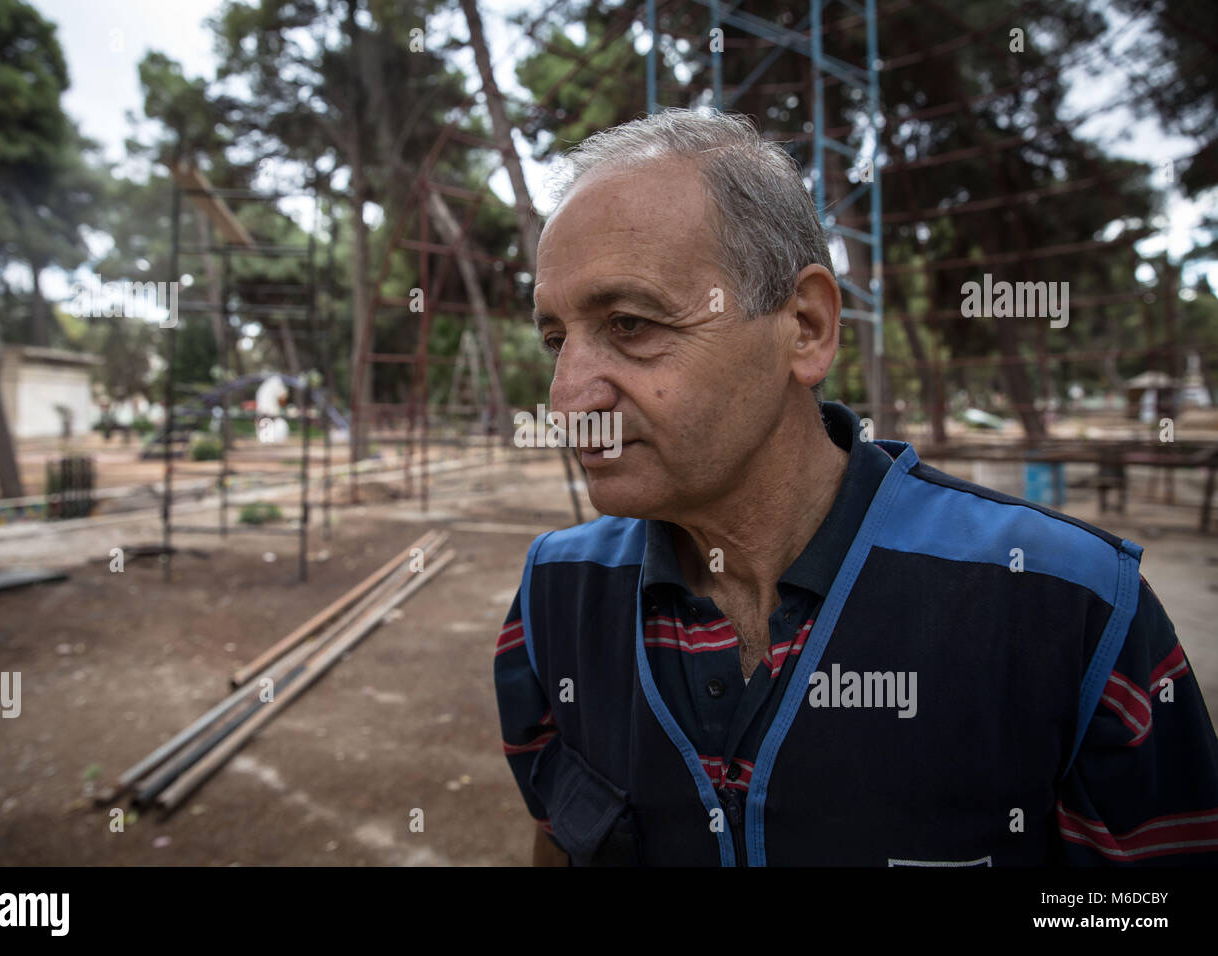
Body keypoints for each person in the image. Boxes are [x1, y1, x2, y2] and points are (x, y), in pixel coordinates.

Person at [492, 109, 1218, 867]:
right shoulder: (553, 599)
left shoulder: (1070, 609)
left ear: (805, 326)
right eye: (555, 339)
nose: (567, 398)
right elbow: (558, 839)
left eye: (631, 324)